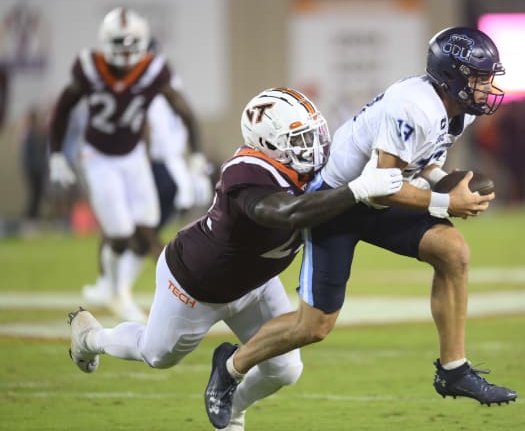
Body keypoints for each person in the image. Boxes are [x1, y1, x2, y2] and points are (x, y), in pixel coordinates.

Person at [205, 27, 518, 430]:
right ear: (454, 78)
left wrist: (443, 179)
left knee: (452, 251)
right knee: (314, 326)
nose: (489, 87)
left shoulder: (457, 109)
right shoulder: (414, 107)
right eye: (480, 77)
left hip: (379, 194)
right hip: (340, 202)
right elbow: (381, 186)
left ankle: (453, 369)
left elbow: (419, 164)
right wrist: (446, 201)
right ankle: (230, 367)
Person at [67, 87, 403, 431]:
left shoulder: (312, 167)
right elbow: (286, 213)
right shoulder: (246, 172)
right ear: (268, 143)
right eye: (300, 139)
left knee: (286, 369)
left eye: (314, 135)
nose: (313, 148)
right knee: (157, 355)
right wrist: (356, 190)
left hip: (256, 283)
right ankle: (91, 339)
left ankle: (233, 412)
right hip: (194, 283)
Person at [48, 7, 208, 322]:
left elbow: (185, 112)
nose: (125, 50)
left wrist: (198, 155)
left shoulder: (153, 70)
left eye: (131, 42)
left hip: (133, 155)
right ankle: (113, 289)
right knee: (120, 232)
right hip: (98, 155)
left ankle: (116, 290)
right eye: (119, 42)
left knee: (146, 227)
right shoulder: (89, 67)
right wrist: (55, 153)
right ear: (106, 42)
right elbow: (63, 107)